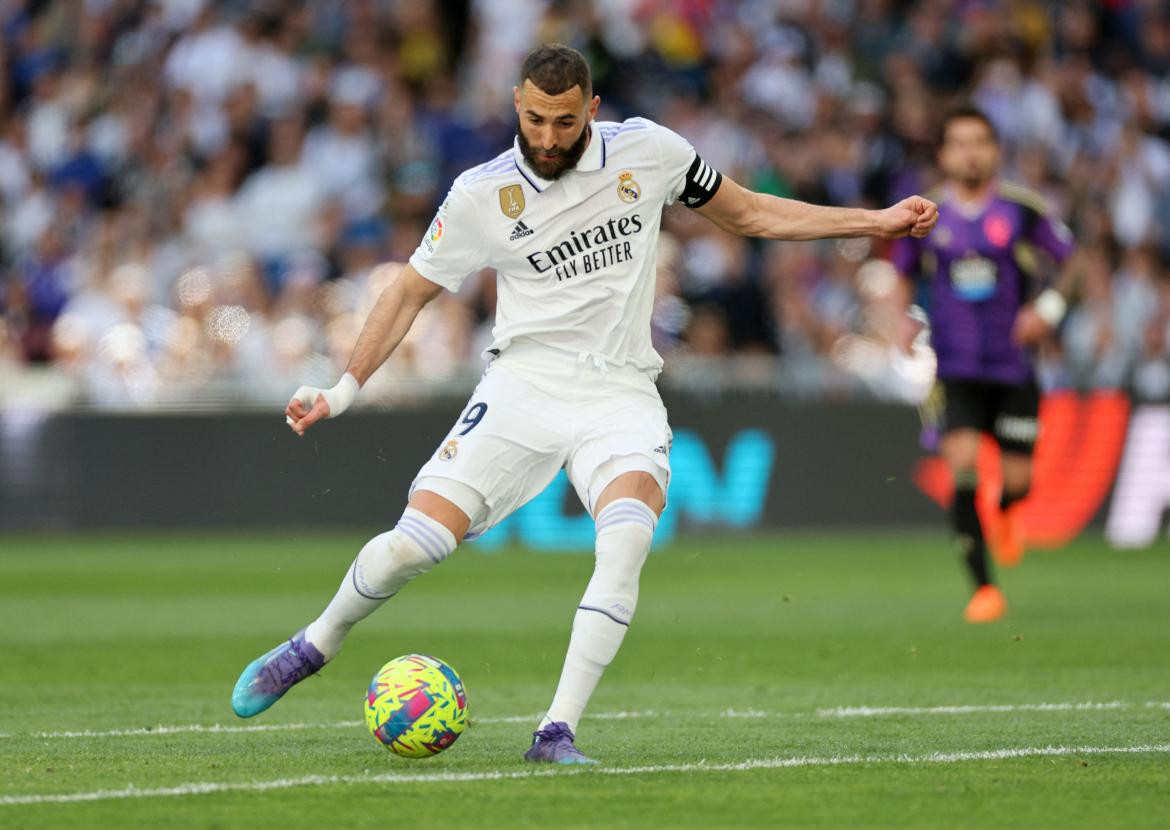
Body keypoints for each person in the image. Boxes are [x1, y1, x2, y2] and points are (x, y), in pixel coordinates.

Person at [231, 43, 938, 763]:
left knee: (627, 538)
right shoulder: (482, 192)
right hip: (522, 386)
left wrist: (874, 222)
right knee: (408, 550)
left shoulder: (650, 152)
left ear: (592, 111)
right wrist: (342, 388)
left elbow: (750, 212)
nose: (546, 138)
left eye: (564, 123)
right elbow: (410, 290)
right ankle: (313, 646)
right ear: (516, 104)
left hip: (621, 389)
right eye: (535, 119)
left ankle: (556, 731)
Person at [890, 107, 1075, 624]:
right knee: (963, 464)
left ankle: (1008, 511)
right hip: (954, 366)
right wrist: (904, 320)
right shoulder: (926, 213)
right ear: (945, 154)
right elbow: (900, 273)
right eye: (960, 142)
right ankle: (984, 589)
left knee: (1019, 480)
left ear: (995, 151)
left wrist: (1048, 309)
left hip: (1014, 367)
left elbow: (1074, 263)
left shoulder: (1023, 210)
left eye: (980, 142)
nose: (971, 152)